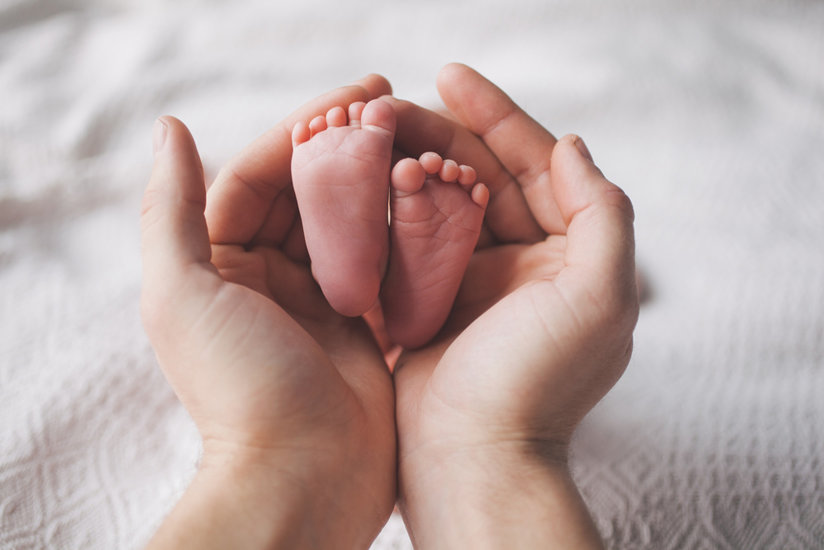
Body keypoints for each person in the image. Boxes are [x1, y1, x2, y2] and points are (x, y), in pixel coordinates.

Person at [140, 63, 638, 549]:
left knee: (371, 283)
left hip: (319, 339)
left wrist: (279, 451)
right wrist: (489, 446)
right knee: (456, 248)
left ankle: (352, 279)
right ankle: (409, 302)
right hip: (464, 336)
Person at [291, 98, 488, 348]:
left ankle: (340, 273)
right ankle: (410, 311)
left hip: (331, 336)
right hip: (441, 343)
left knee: (341, 266)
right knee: (451, 158)